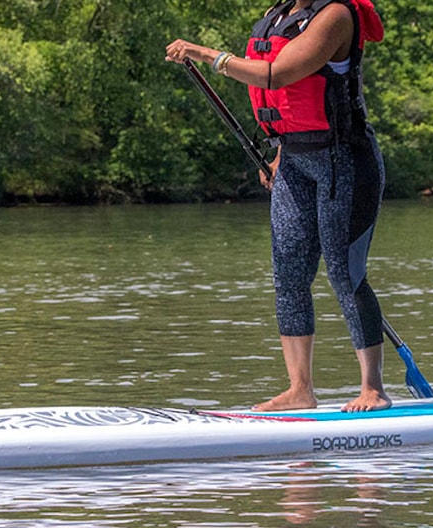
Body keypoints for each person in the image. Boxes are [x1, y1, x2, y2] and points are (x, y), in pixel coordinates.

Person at [166, 0, 391, 412]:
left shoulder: (336, 15)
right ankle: (300, 388)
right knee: (288, 275)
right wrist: (281, 155)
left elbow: (277, 74)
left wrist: (204, 53)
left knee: (345, 273)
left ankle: (372, 388)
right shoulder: (280, 14)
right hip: (293, 160)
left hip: (345, 160)